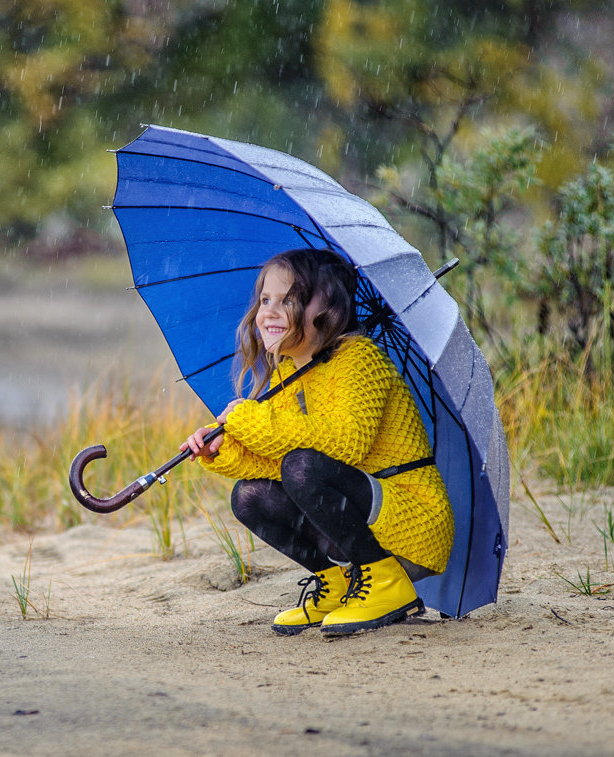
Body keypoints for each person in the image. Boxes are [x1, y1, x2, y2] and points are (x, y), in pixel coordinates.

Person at [182, 248, 453, 636]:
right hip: (356, 517)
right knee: (250, 496)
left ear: (326, 310)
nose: (269, 312)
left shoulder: (359, 358)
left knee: (303, 466)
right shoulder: (289, 372)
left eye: (288, 300)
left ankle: (386, 582)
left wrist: (250, 418)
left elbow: (346, 444)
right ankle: (338, 581)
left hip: (408, 519)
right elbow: (279, 460)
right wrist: (225, 447)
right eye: (265, 300)